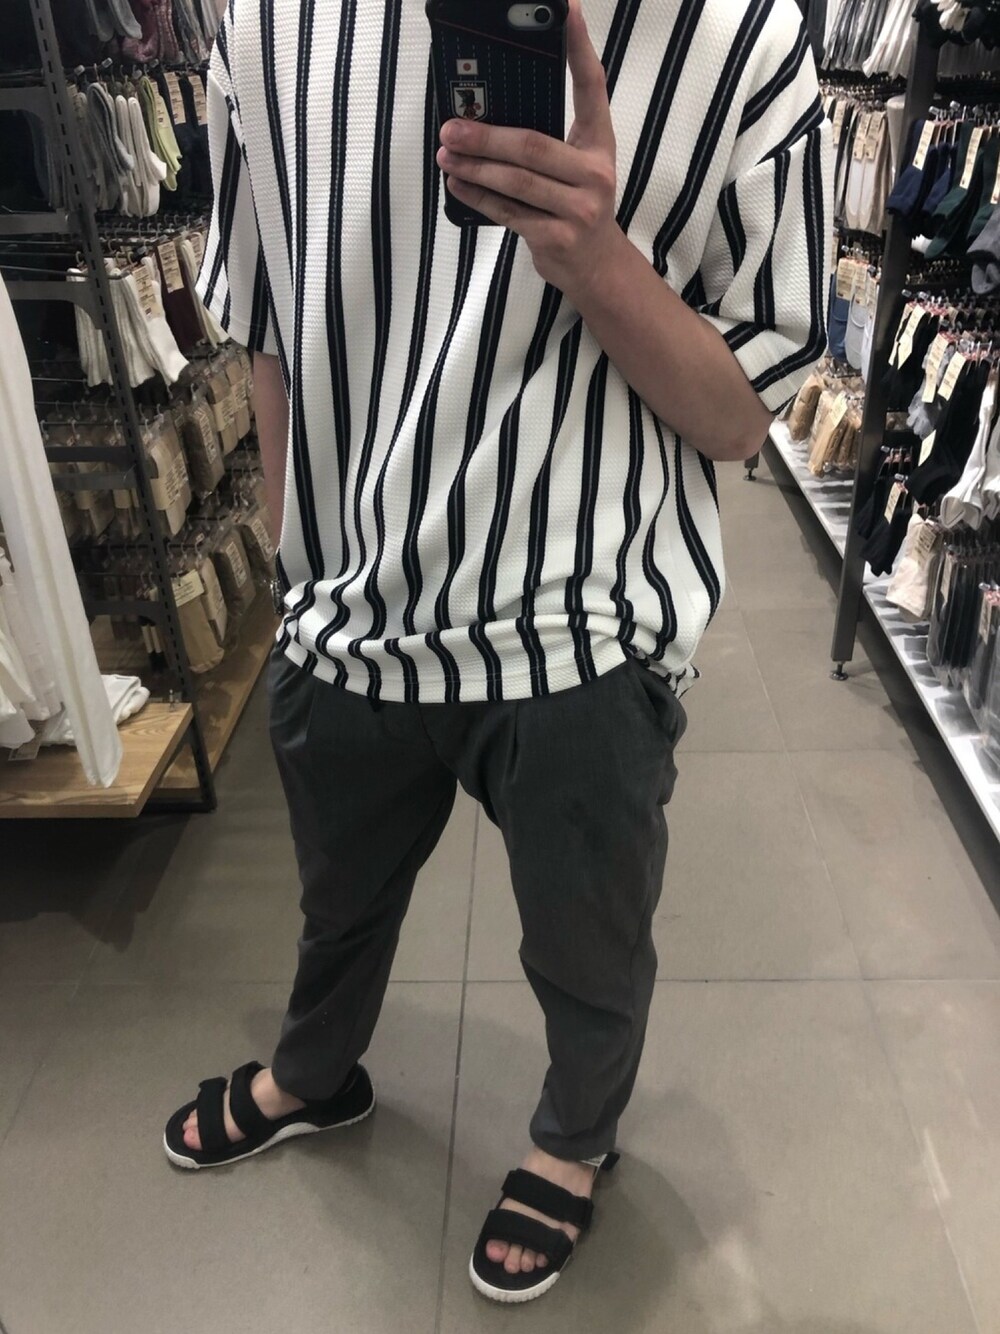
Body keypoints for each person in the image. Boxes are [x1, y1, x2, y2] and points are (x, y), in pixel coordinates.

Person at [164, 0, 830, 1305]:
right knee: (337, 907)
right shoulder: (265, 20)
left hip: (583, 626)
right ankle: (311, 1073)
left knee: (589, 948)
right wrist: (297, 569)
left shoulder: (741, 35)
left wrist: (598, 260)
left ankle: (574, 1138)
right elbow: (267, 321)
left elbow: (741, 416)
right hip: (346, 613)